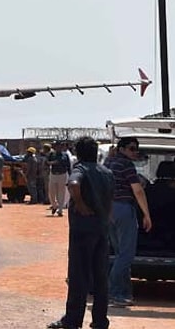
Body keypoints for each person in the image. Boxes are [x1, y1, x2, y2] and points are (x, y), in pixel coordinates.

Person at [47, 136, 114, 329]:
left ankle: (72, 320)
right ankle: (100, 321)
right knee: (100, 277)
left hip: (82, 230)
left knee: (78, 276)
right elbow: (111, 197)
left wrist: (81, 204)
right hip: (101, 229)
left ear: (78, 153)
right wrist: (106, 216)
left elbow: (74, 184)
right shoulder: (107, 172)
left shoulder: (80, 169)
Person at [103, 137, 152, 307]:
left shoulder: (108, 162)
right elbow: (138, 191)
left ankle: (123, 294)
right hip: (123, 209)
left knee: (119, 254)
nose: (135, 151)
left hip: (108, 211)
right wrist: (146, 215)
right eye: (131, 148)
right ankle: (114, 292)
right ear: (121, 149)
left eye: (136, 148)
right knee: (126, 255)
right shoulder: (126, 165)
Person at [47, 142, 71, 216]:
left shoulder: (65, 155)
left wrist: (70, 177)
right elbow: (46, 162)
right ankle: (54, 205)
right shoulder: (52, 154)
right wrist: (53, 163)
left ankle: (60, 210)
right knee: (51, 193)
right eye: (57, 146)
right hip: (53, 174)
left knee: (61, 193)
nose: (59, 147)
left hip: (62, 175)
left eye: (60, 146)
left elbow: (68, 166)